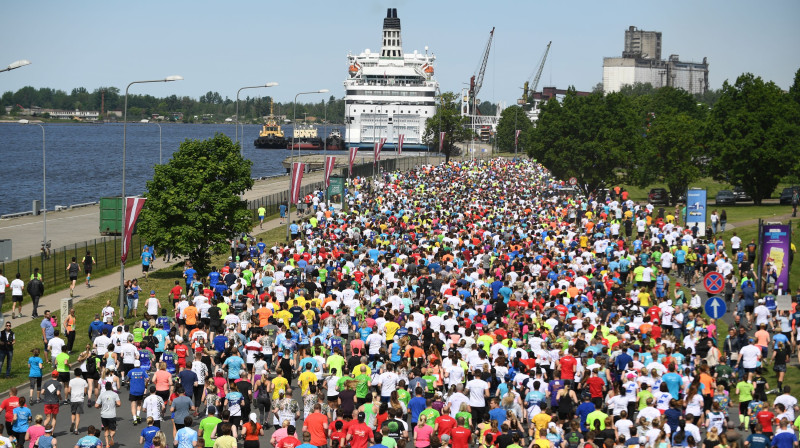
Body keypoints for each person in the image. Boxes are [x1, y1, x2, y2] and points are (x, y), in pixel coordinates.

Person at [94, 383, 120, 448]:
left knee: (106, 429)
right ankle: (111, 436)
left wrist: (100, 406)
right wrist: (115, 405)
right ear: (111, 387)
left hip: (104, 415)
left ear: (105, 388)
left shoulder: (102, 395)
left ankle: (107, 444)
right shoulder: (115, 394)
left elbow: (96, 405)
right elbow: (119, 404)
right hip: (112, 415)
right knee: (113, 430)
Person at [66, 368, 87, 435]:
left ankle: (72, 422)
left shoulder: (71, 381)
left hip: (73, 399)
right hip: (80, 399)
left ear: (74, 373)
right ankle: (76, 429)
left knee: (73, 413)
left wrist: (71, 394)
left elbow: (69, 390)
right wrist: (84, 394)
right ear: (80, 374)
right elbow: (85, 391)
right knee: (78, 415)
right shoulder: (83, 381)